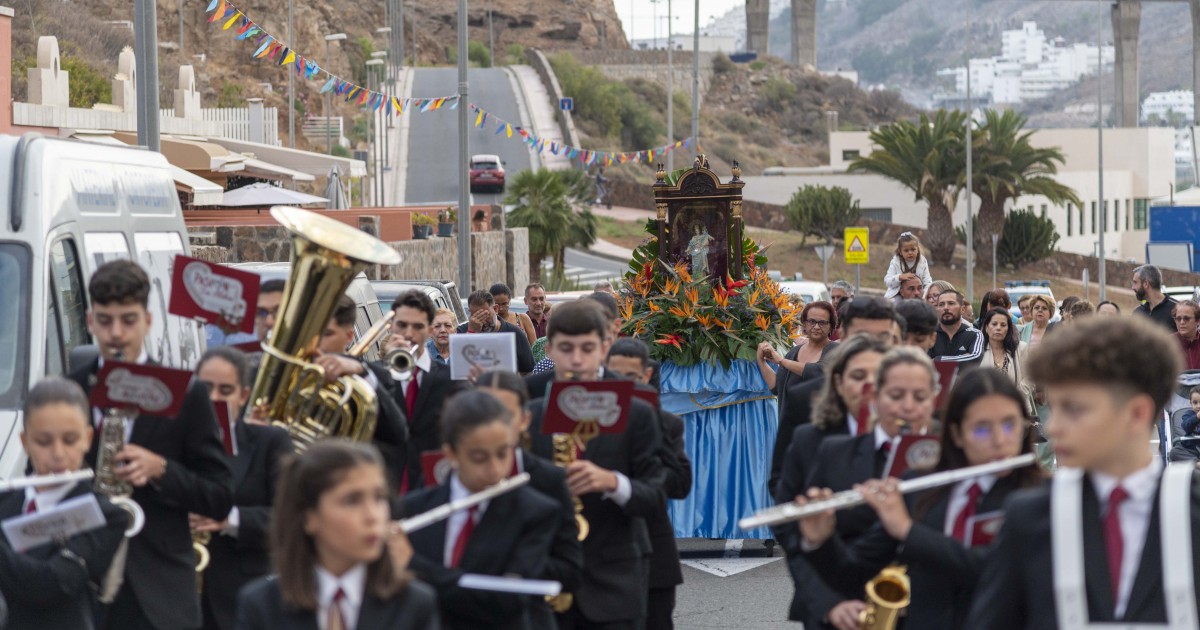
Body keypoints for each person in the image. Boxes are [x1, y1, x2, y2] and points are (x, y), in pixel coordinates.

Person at [966, 316, 1200, 628]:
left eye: (1074, 409)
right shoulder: (1031, 518)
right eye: (1055, 408)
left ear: (1137, 413)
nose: (1053, 426)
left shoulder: (1193, 508)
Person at [797, 368, 1046, 629]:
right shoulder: (921, 486)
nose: (1000, 440)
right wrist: (820, 540)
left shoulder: (1038, 496)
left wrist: (908, 530)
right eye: (982, 430)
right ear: (957, 434)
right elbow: (852, 573)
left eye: (1010, 425)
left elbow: (996, 570)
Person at [67, 260, 233, 629]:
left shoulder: (186, 394)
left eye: (128, 320)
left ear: (148, 321)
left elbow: (219, 493)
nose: (116, 334)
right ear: (91, 322)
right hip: (84, 585)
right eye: (106, 321)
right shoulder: (72, 389)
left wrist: (163, 470)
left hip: (158, 591)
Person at [526, 299, 667, 630]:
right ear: (550, 349)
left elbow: (657, 494)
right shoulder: (530, 413)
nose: (576, 359)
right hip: (544, 577)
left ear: (605, 346)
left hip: (614, 582)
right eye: (566, 348)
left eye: (587, 348)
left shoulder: (637, 410)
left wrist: (613, 482)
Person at [794, 346, 941, 630]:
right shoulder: (834, 452)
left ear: (935, 398)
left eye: (920, 396)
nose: (908, 406)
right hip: (853, 608)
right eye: (896, 395)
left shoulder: (954, 456)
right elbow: (803, 544)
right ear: (875, 397)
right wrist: (817, 542)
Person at [236, 441, 439, 630]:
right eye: (352, 501)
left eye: (379, 498)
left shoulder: (414, 604)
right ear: (309, 517)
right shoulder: (262, 606)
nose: (373, 516)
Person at [399, 391, 558, 630]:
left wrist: (414, 564)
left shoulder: (534, 513)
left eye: (503, 453)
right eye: (479, 457)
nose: (494, 469)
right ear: (451, 454)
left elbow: (505, 602)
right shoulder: (413, 508)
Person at [774, 335, 890, 627]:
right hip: (830, 600)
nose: (869, 386)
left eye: (879, 377)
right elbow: (791, 528)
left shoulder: (916, 440)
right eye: (858, 376)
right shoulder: (809, 439)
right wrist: (828, 601)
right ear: (838, 383)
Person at [0, 378, 127, 630]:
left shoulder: (105, 515)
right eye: (44, 442)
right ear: (25, 443)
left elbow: (49, 585)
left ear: (88, 439)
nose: (58, 454)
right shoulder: (5, 503)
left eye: (69, 440)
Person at [193, 348, 293, 630]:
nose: (213, 398)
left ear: (243, 396)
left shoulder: (270, 441)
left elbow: (289, 518)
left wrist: (229, 520)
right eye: (205, 388)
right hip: (179, 597)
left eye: (225, 390)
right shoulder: (170, 440)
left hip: (243, 594)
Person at [475, 371, 583, 630]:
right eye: (483, 413)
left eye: (505, 416)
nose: (494, 425)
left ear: (524, 420)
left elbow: (568, 564)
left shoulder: (549, 479)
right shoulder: (440, 476)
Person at [768, 298, 905, 495]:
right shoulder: (805, 399)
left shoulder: (916, 403)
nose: (872, 347)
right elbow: (780, 485)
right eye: (862, 337)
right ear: (845, 337)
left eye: (883, 337)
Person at [606, 339, 693, 630]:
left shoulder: (666, 422)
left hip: (653, 552)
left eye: (630, 378)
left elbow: (681, 483)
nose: (622, 385)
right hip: (601, 552)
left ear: (645, 377)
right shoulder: (588, 420)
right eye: (614, 376)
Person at [312, 295, 413, 491]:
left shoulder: (375, 375)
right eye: (310, 333)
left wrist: (362, 372)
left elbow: (397, 433)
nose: (316, 345)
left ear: (349, 336)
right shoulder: (284, 371)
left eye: (327, 334)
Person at [382, 290, 461, 489]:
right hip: (383, 487)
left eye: (418, 327)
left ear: (428, 331)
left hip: (431, 488)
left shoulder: (451, 379)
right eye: (402, 325)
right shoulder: (374, 376)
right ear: (390, 327)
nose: (408, 334)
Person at [756, 300, 839, 411]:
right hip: (791, 424)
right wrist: (761, 361)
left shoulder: (835, 350)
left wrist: (781, 361)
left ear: (831, 326)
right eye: (811, 321)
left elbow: (819, 371)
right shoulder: (794, 352)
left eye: (822, 322)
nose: (816, 327)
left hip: (821, 424)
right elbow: (776, 387)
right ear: (804, 324)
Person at [458, 290, 535, 373]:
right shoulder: (462, 332)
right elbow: (455, 365)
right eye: (476, 316)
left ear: (495, 309)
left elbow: (528, 370)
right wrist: (471, 332)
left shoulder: (515, 333)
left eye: (485, 316)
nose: (481, 322)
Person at [979, 307, 1034, 414]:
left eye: (1003, 325)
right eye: (994, 324)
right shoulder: (978, 351)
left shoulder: (1021, 348)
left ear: (1008, 329)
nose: (998, 328)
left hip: (1016, 408)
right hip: (986, 409)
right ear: (986, 327)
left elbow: (1031, 377)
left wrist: (1015, 394)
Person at [931, 290, 985, 363]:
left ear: (962, 309)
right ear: (937, 309)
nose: (946, 307)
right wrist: (963, 358)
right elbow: (921, 362)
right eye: (941, 304)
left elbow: (975, 357)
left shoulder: (974, 334)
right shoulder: (928, 334)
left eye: (951, 303)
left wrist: (937, 360)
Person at [884, 232, 933, 300]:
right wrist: (900, 277)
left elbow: (927, 282)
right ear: (900, 252)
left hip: (918, 294)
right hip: (898, 294)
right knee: (894, 306)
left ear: (917, 250)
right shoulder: (896, 262)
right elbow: (887, 281)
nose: (910, 253)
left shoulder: (922, 262)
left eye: (913, 249)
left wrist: (924, 295)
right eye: (906, 250)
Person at [1132, 264, 1179, 332]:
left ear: (1146, 284)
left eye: (1135, 282)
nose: (1133, 287)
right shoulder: (1138, 313)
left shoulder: (1177, 309)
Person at [1174, 299, 1200, 370]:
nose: (1182, 322)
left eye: (1186, 318)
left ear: (1197, 320)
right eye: (1178, 319)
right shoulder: (1167, 344)